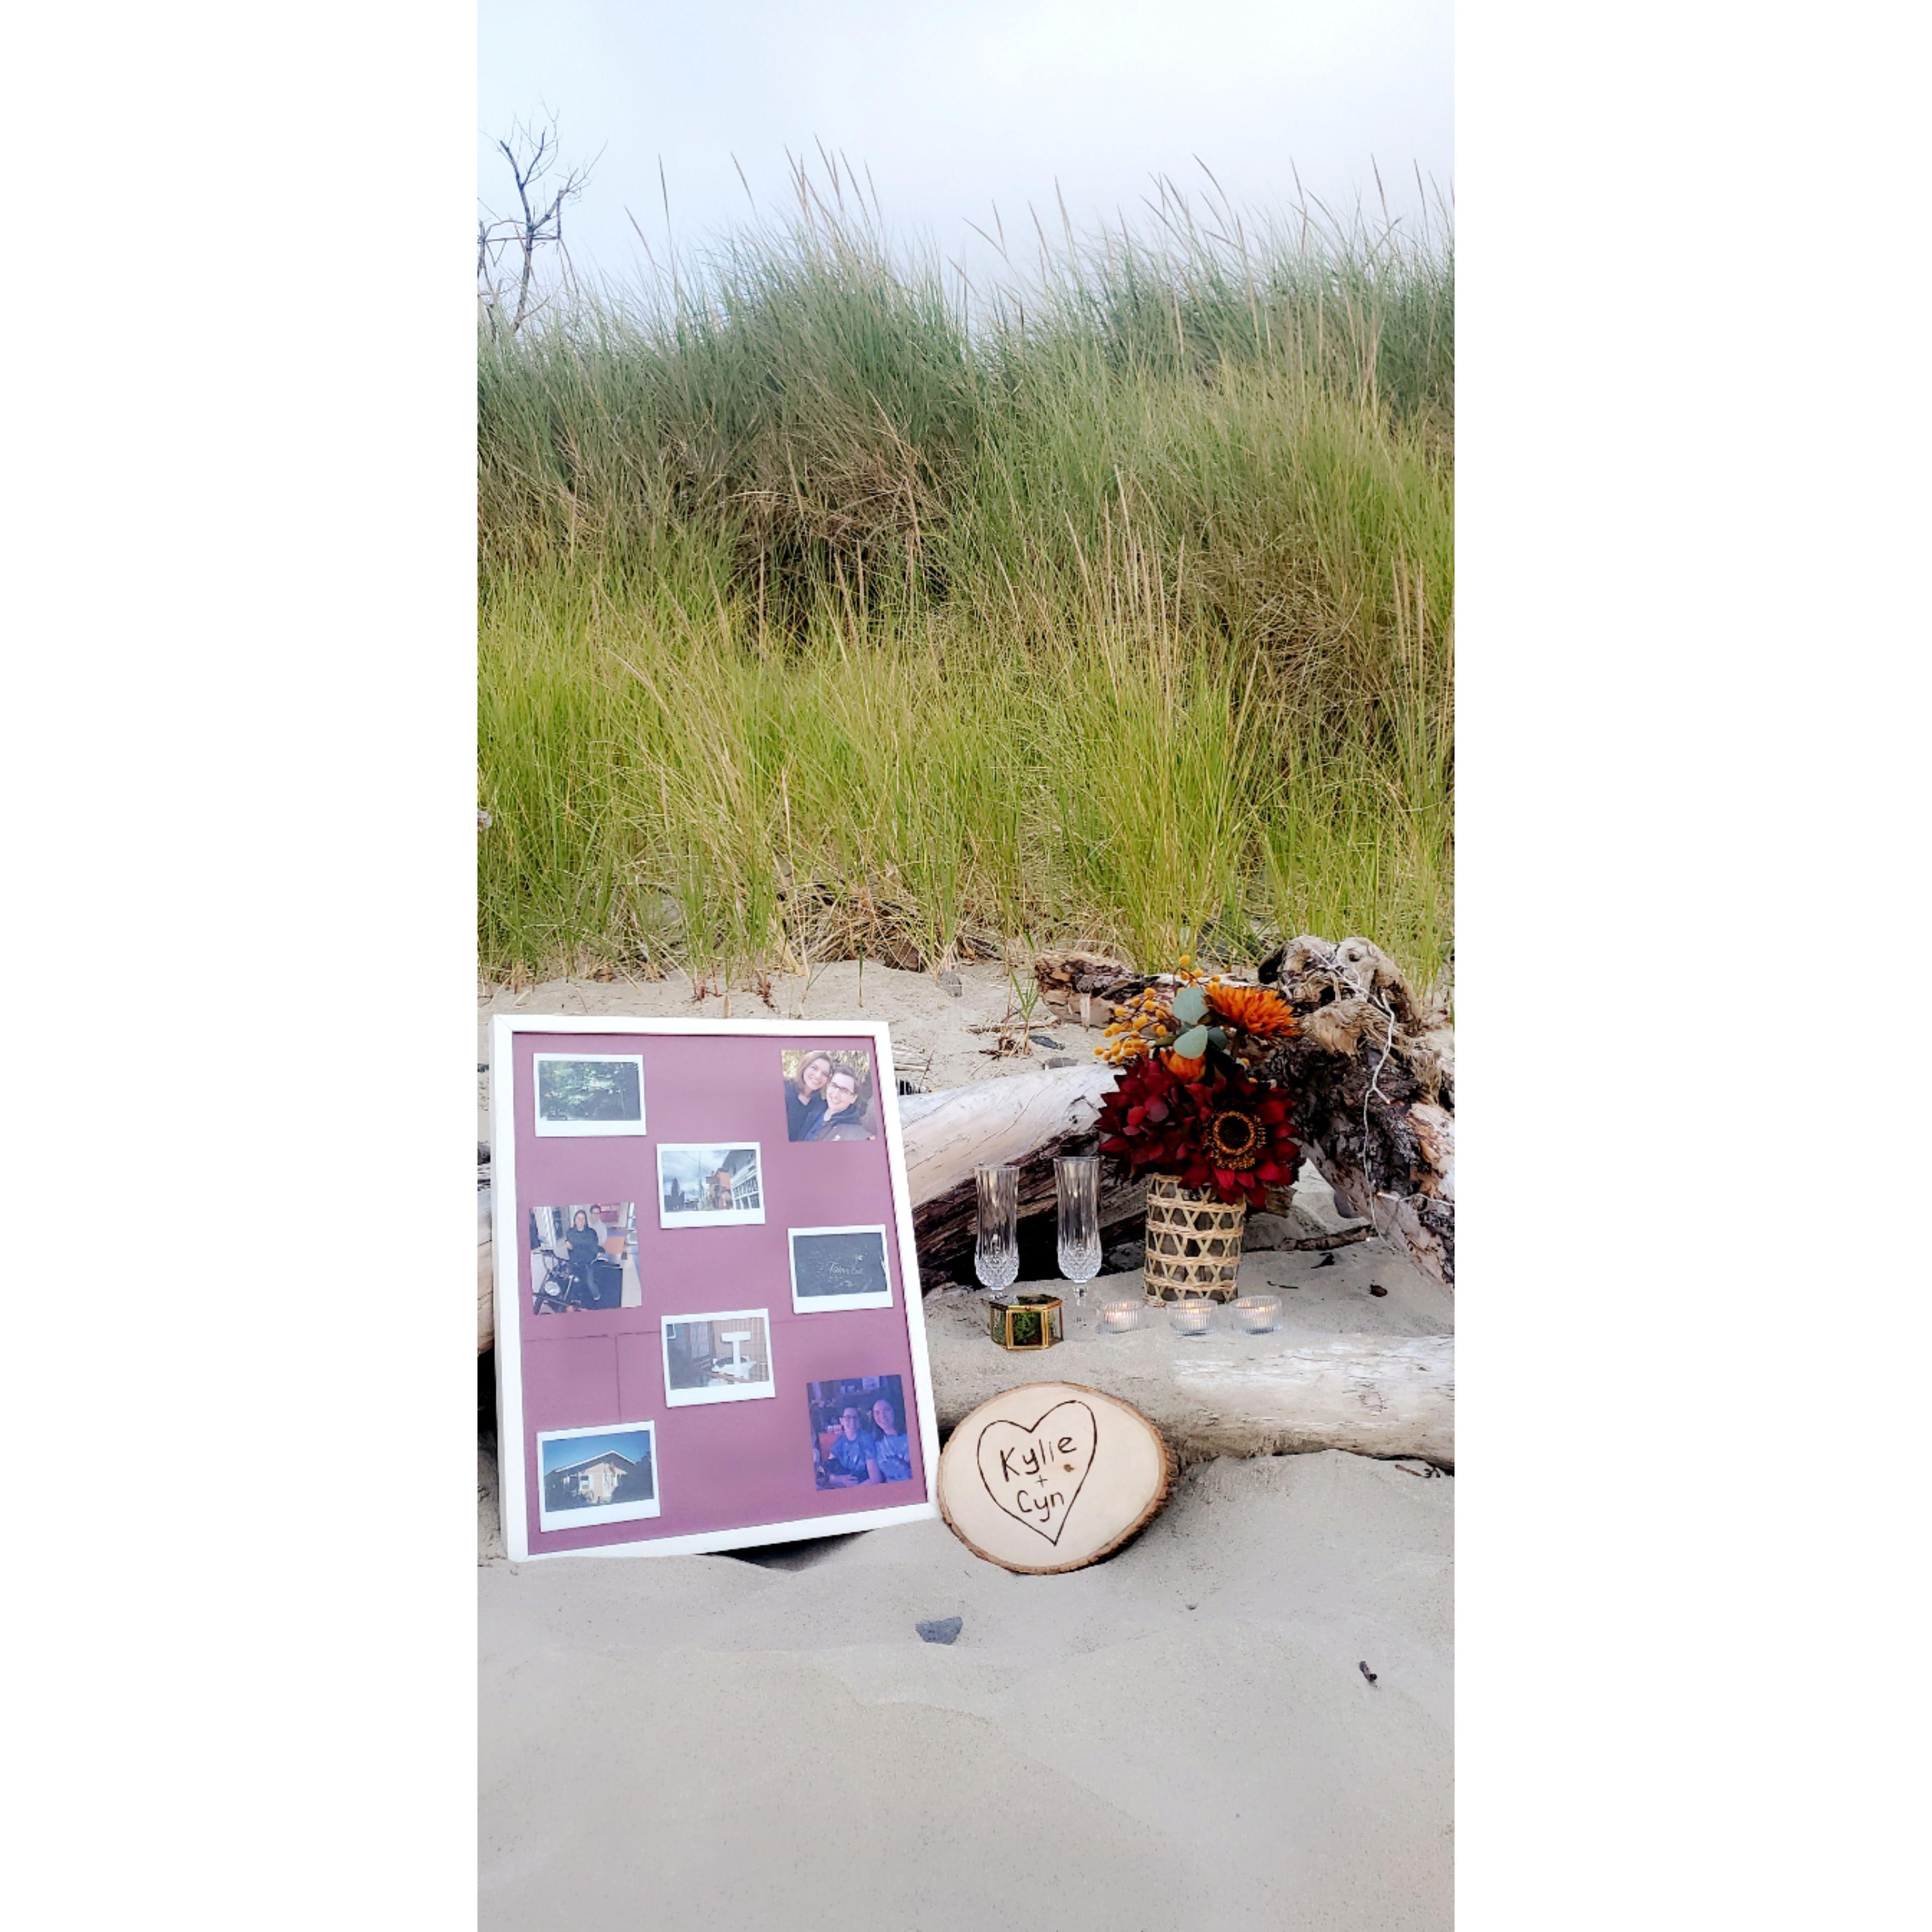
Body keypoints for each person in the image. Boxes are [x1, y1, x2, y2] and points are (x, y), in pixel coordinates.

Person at [803, 1067, 871, 1142]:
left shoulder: (857, 1134)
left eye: (844, 1090)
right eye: (834, 1086)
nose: (835, 1095)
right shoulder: (813, 1110)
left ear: (853, 1098)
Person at [822, 1404, 881, 1486]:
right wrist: (840, 1480)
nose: (852, 1422)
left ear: (859, 1420)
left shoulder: (866, 1440)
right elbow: (828, 1473)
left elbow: (875, 1479)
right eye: (848, 1418)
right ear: (841, 1421)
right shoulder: (839, 1442)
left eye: (855, 1418)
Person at [785, 1052, 834, 1141]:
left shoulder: (820, 1105)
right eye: (814, 1068)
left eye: (825, 1074)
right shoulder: (784, 1088)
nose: (818, 1076)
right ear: (805, 1067)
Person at [558, 1210, 602, 1300]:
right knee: (565, 1280)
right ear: (575, 1220)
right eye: (578, 1218)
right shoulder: (570, 1232)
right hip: (575, 1262)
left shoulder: (591, 1233)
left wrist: (574, 1248)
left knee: (590, 1284)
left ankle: (597, 1296)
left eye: (583, 1219)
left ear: (586, 1221)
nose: (580, 1221)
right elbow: (570, 1251)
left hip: (588, 1263)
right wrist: (567, 1243)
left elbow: (594, 1252)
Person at [870, 1396, 911, 1482]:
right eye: (877, 1412)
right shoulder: (875, 1443)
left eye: (887, 1410)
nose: (882, 1416)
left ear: (894, 1411)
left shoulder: (909, 1438)